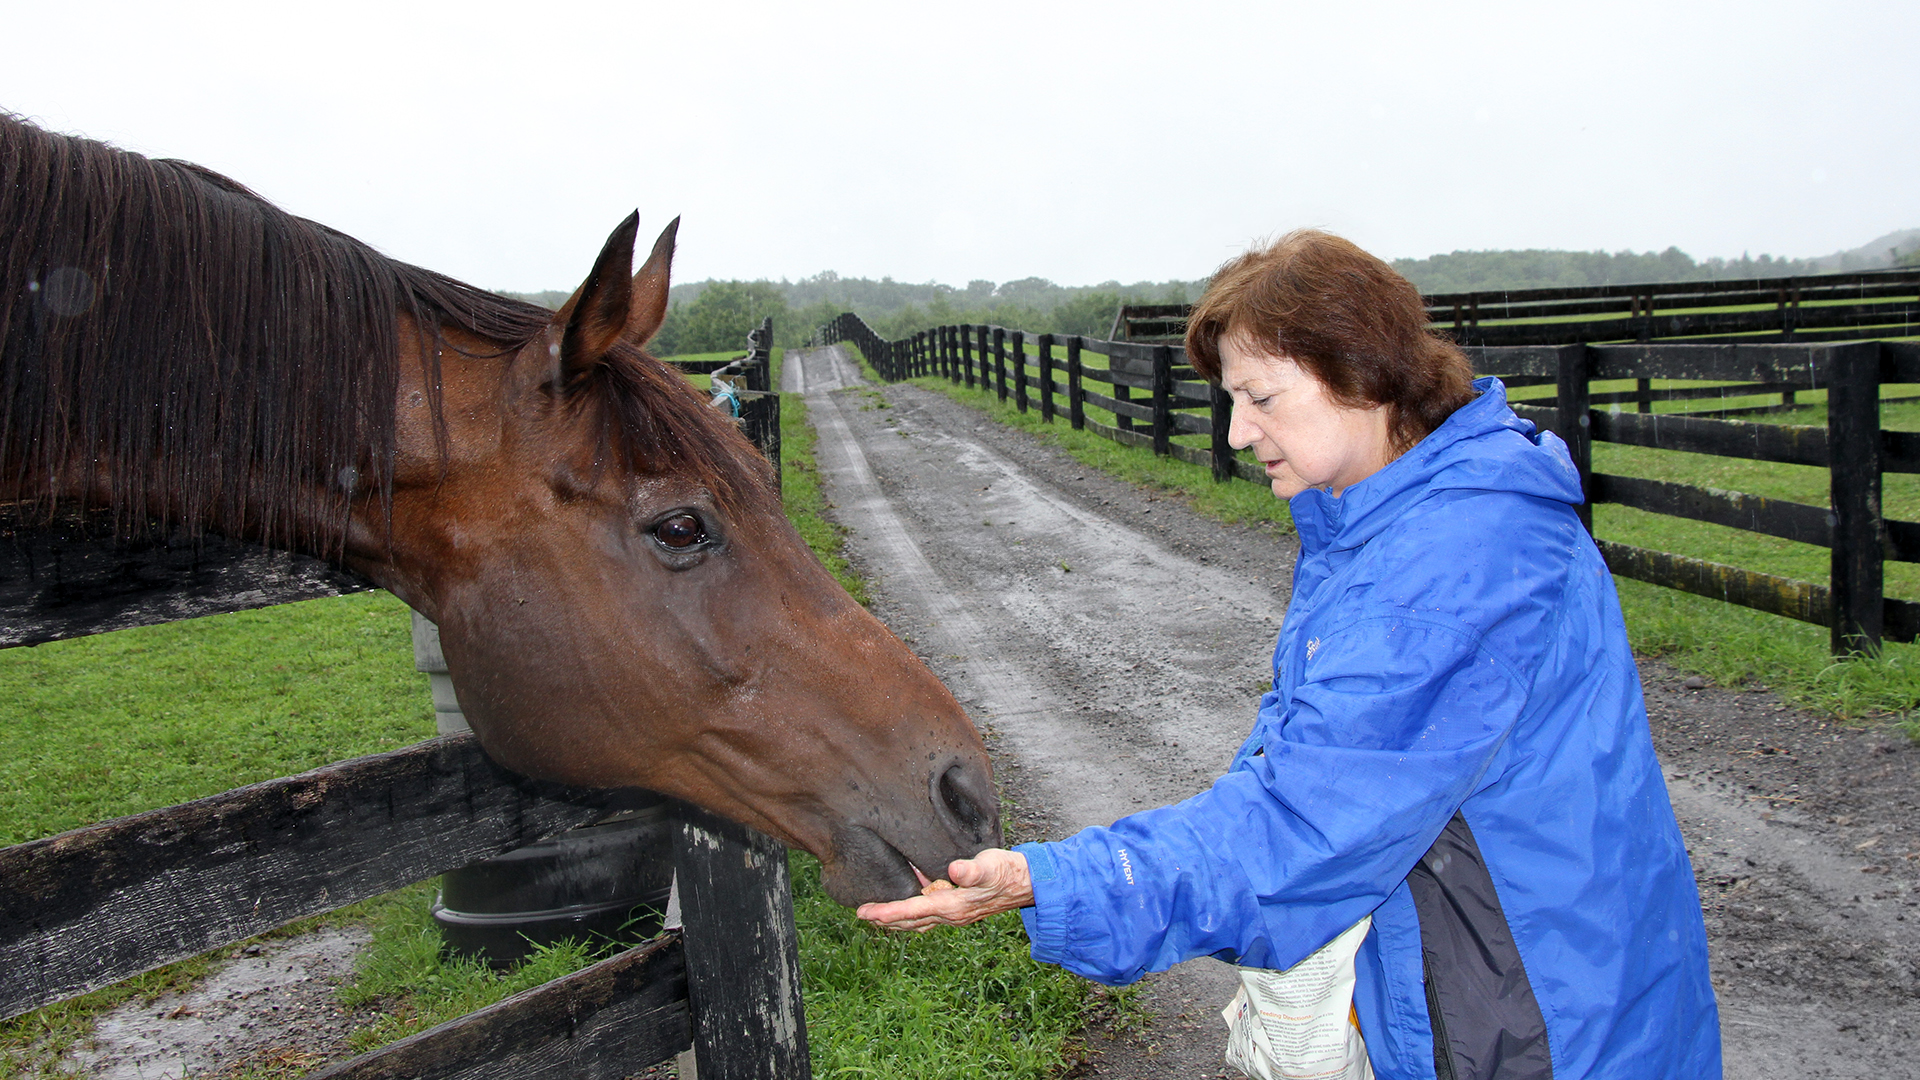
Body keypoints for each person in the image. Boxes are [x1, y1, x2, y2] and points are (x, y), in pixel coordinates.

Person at [857, 230, 1721, 1079]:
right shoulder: (1387, 519)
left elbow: (1302, 825)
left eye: (1262, 398)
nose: (1237, 433)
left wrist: (1054, 878)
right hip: (1525, 981)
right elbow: (1310, 763)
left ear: (1362, 376)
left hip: (1540, 1026)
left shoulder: (1454, 559)